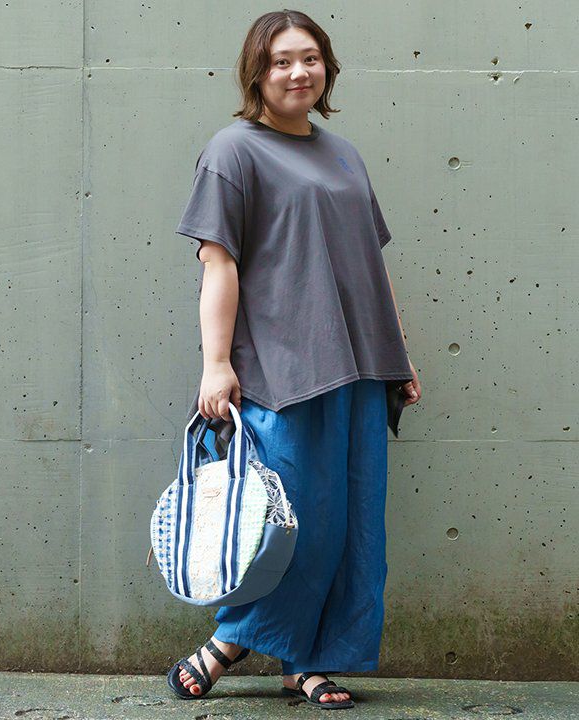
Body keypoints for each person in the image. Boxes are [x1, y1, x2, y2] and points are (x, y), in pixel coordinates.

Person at [170, 9, 422, 710]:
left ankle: (306, 663)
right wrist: (215, 364)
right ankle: (228, 642)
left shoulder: (343, 155)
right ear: (257, 72)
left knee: (351, 525)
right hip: (283, 366)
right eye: (281, 61)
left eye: (309, 58)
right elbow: (218, 263)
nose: (297, 72)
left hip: (360, 365)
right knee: (289, 521)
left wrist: (397, 354)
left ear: (327, 67)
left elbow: (370, 264)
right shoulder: (232, 151)